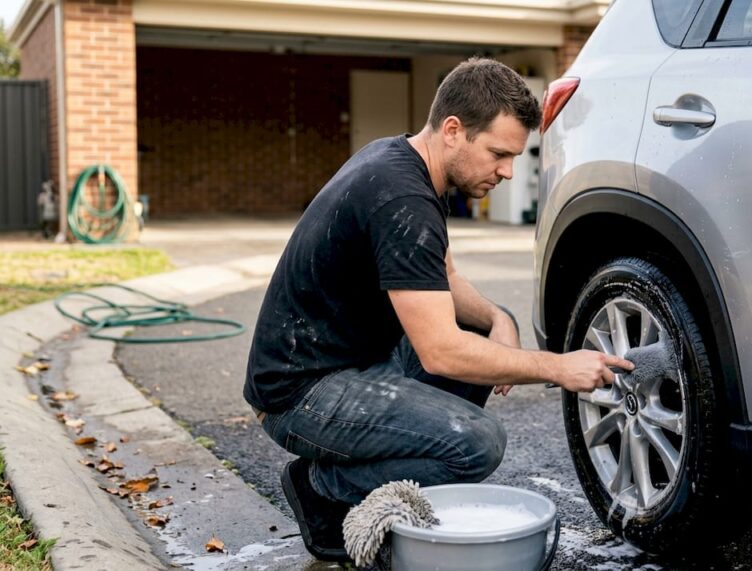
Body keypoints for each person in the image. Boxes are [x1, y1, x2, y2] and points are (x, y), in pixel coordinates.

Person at [243, 58, 633, 562]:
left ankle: (349, 470)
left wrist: (499, 319)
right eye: (498, 153)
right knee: (477, 444)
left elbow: (443, 280)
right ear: (454, 130)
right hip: (299, 394)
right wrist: (558, 367)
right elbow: (442, 353)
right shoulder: (400, 197)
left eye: (514, 157)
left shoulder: (408, 164)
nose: (507, 171)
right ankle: (325, 485)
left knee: (474, 330)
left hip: (350, 362)